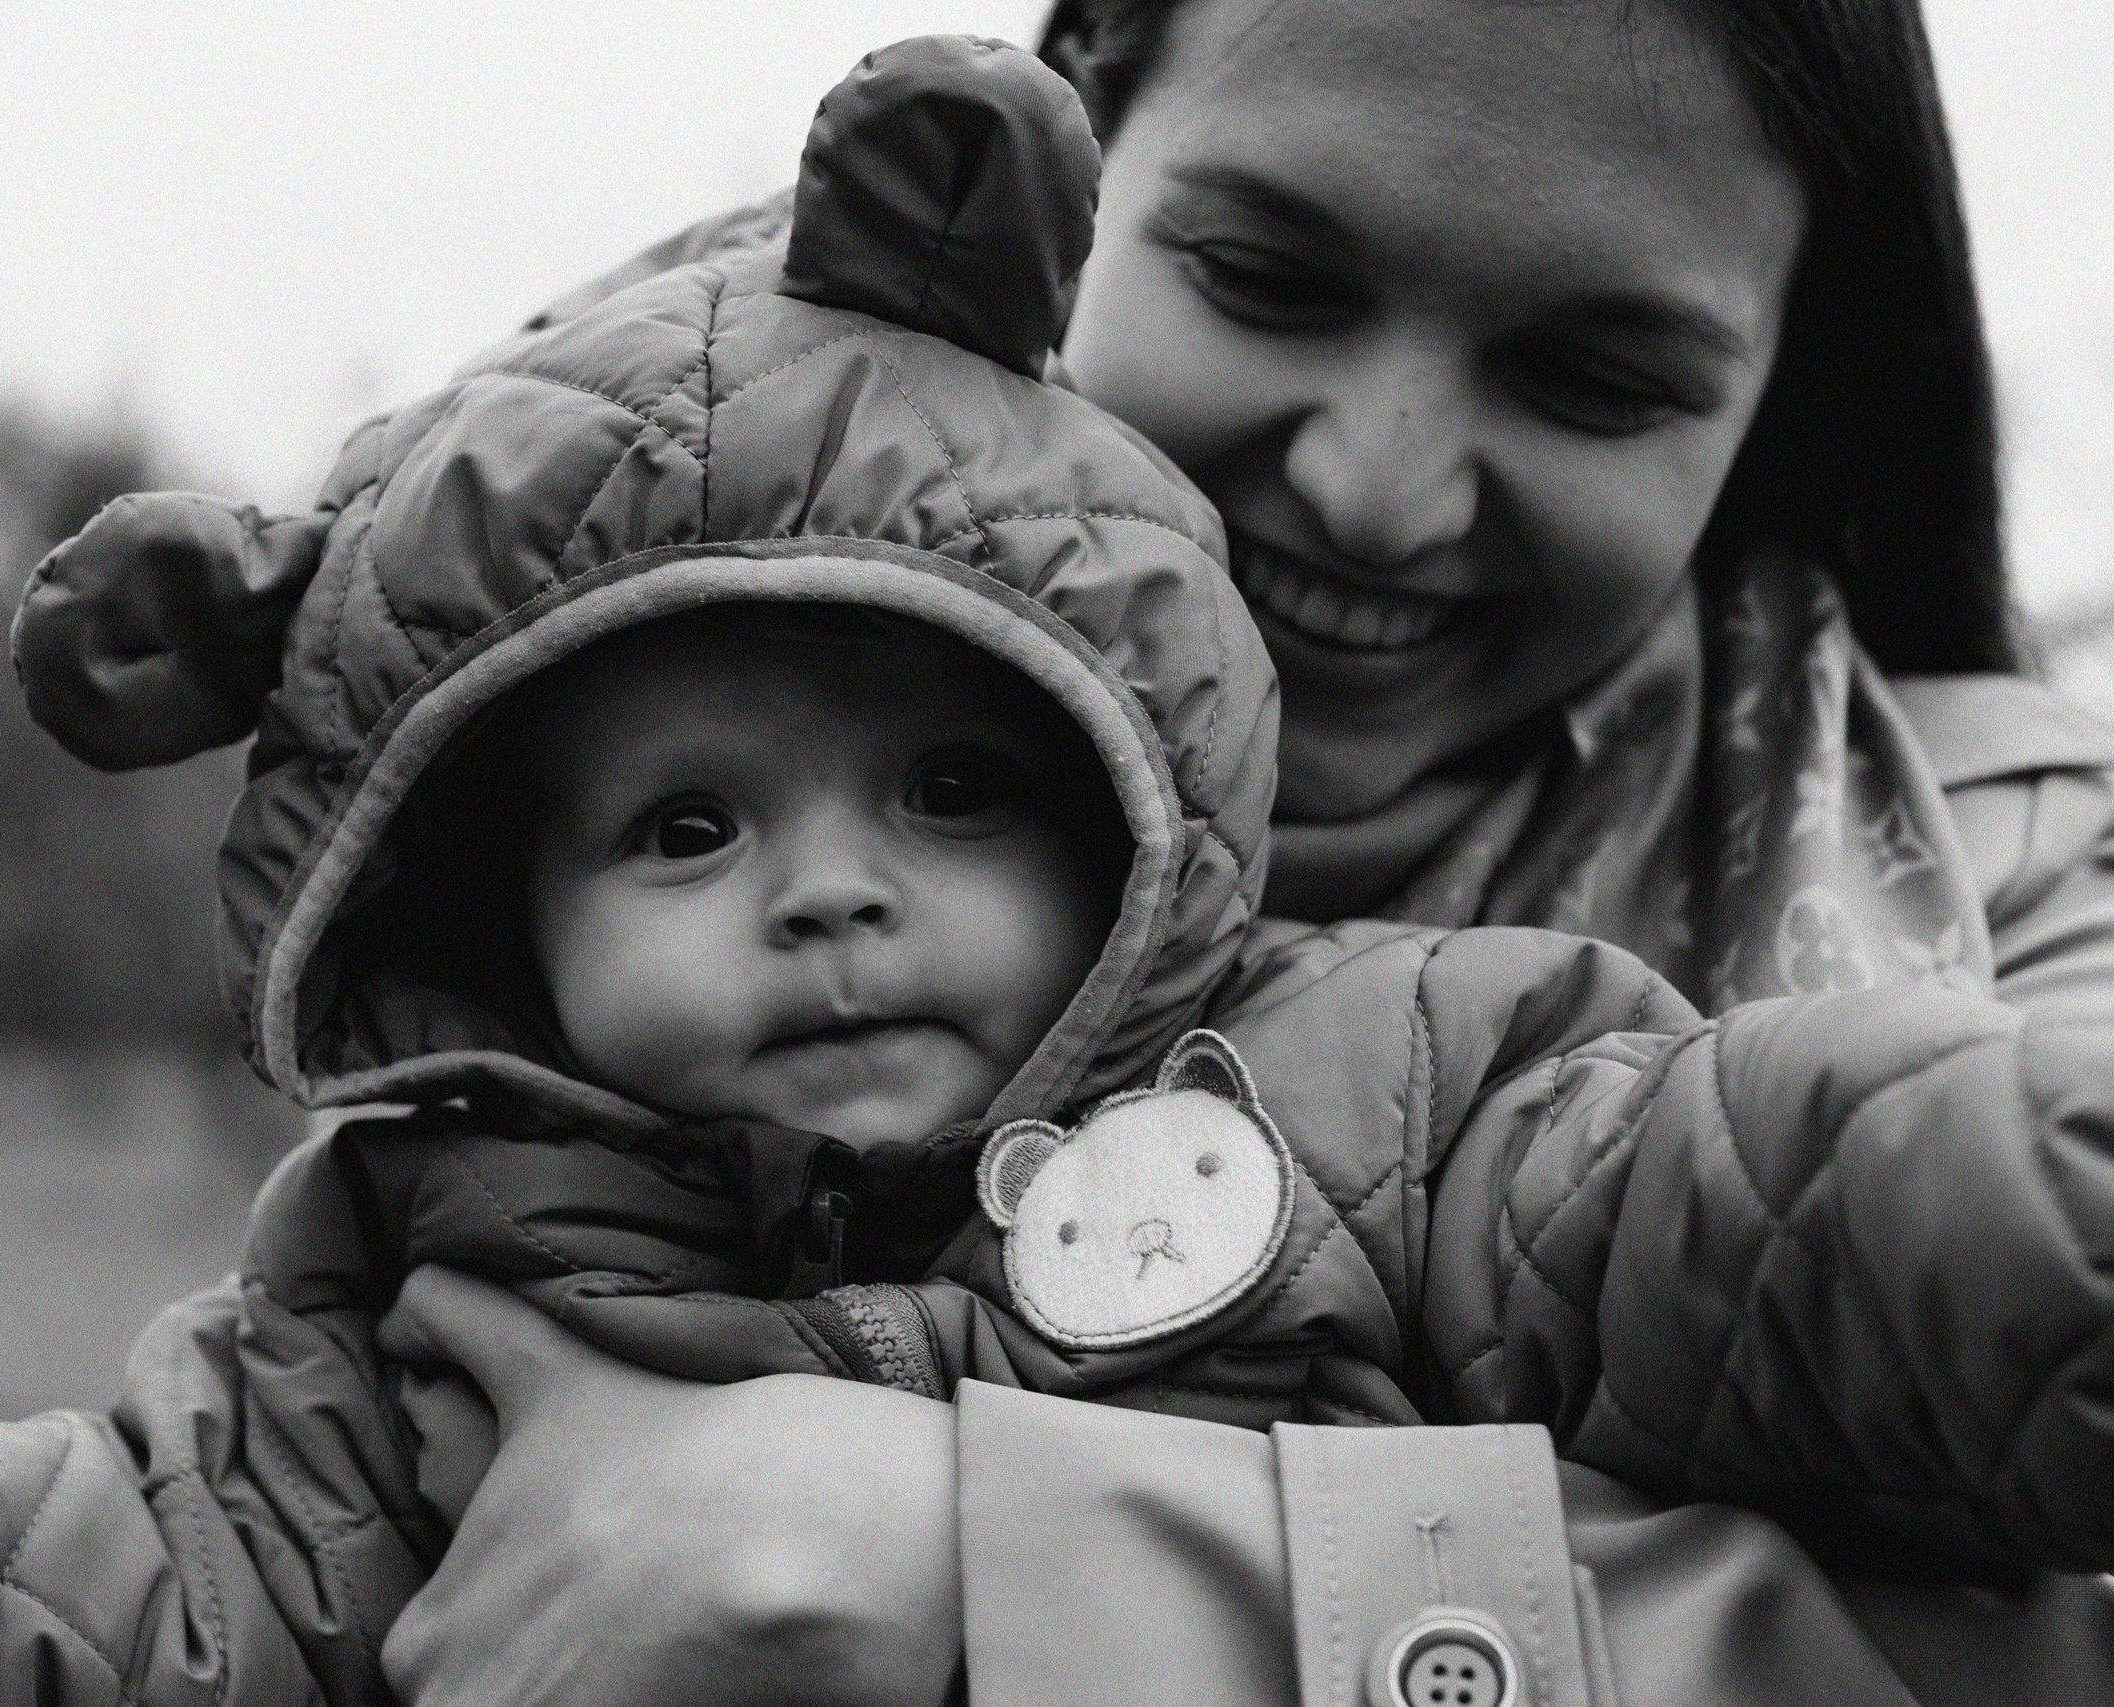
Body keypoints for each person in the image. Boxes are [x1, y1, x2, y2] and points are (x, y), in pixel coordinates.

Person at [354, 2, 2114, 1704]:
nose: (1380, 487)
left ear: (1791, 385)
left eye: (1597, 379)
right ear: (1072, 142)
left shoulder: (2017, 897)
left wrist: (1022, 1572)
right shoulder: (583, 687)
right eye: (1271, 281)